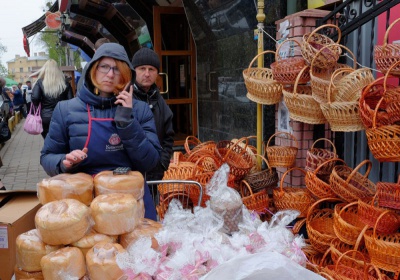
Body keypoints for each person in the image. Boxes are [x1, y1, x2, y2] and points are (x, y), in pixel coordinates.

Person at [40, 43, 162, 221]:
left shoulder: (140, 109)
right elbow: (47, 156)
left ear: (126, 75)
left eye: (117, 69)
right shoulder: (66, 109)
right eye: (104, 67)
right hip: (83, 205)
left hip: (130, 203)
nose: (110, 74)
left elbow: (151, 162)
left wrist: (127, 121)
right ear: (93, 69)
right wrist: (63, 162)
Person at [131, 48, 174, 188]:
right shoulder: (125, 98)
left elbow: (168, 136)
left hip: (156, 173)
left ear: (157, 73)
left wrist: (163, 163)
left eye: (151, 69)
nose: (147, 74)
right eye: (142, 68)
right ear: (134, 71)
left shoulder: (160, 100)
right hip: (132, 175)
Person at [31, 59, 73, 139]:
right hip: (62, 116)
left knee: (48, 139)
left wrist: (39, 103)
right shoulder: (65, 83)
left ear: (45, 69)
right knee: (62, 139)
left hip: (46, 116)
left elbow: (35, 98)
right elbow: (70, 100)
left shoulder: (40, 82)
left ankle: (50, 150)